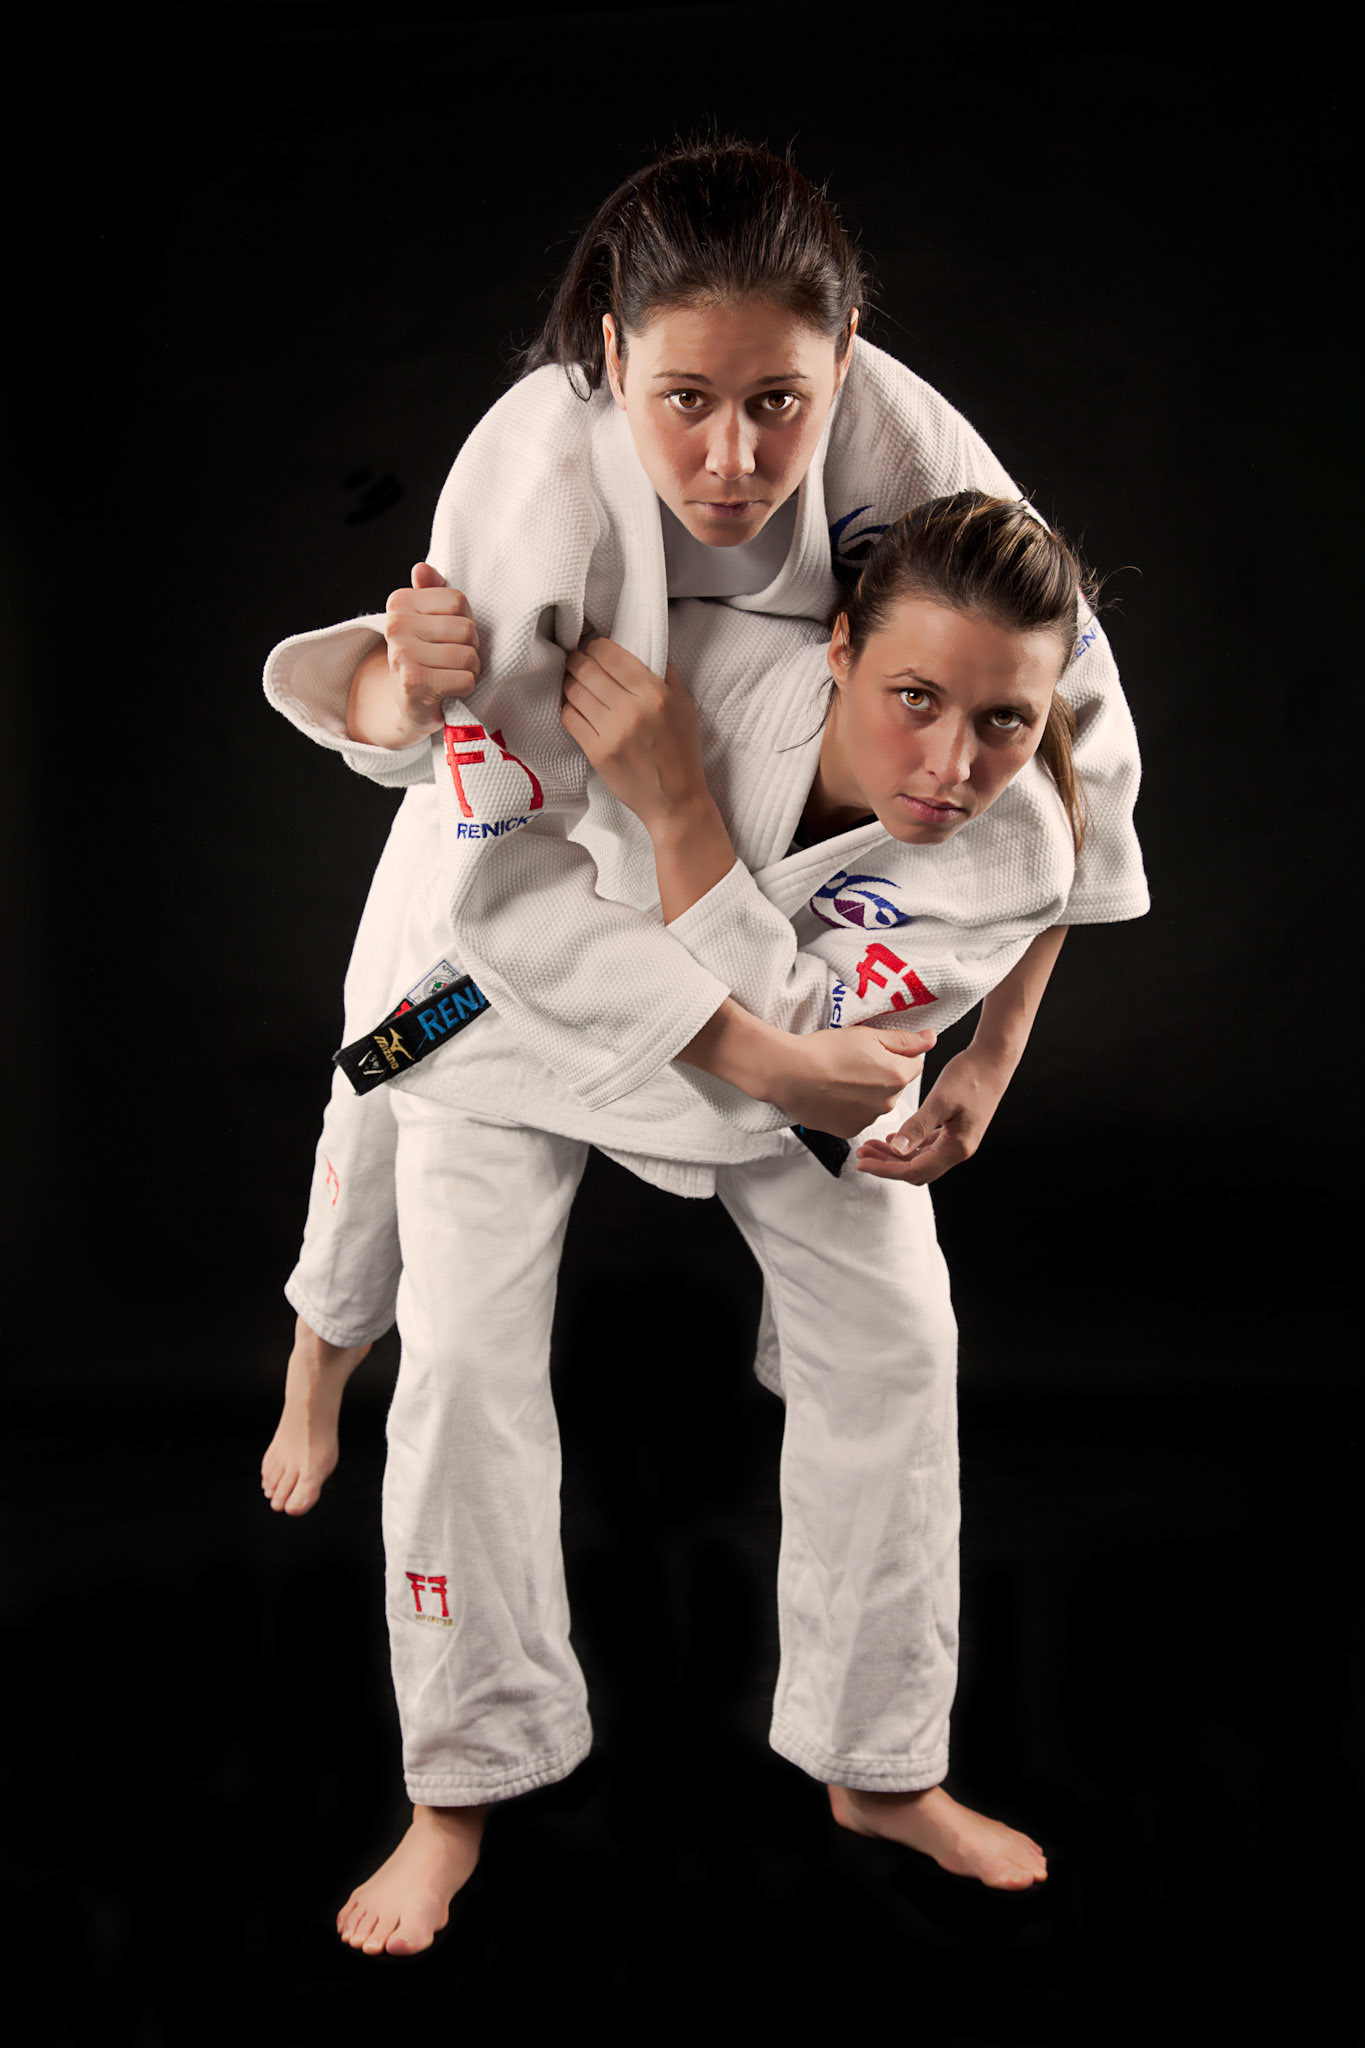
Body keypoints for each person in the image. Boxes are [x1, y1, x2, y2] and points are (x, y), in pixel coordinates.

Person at [259, 137, 1145, 1524]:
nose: (734, 459)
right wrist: (402, 677)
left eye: (779, 400)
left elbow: (1071, 738)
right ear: (613, 359)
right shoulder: (531, 471)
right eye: (684, 398)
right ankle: (321, 1351)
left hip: (746, 856)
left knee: (848, 1195)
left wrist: (994, 1048)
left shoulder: (915, 452)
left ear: (842, 356)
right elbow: (457, 772)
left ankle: (817, 1351)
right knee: (378, 1072)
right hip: (517, 865)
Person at [323, 490, 1139, 1957]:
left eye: (1005, 722)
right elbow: (482, 862)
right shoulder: (668, 665)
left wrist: (681, 812)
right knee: (456, 1366)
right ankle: (460, 1779)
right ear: (834, 648)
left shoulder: (1012, 852)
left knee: (896, 1345)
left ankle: (878, 1761)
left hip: (771, 1074)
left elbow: (808, 1065)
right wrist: (417, 665)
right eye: (911, 699)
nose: (953, 766)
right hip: (507, 1004)